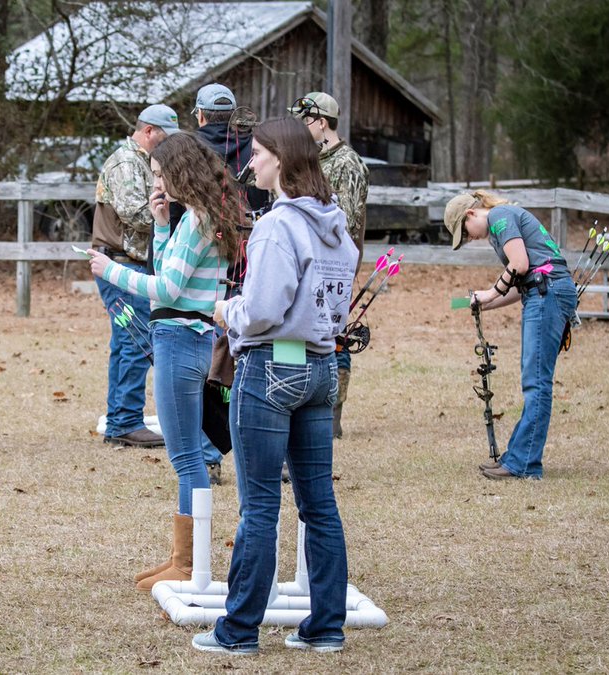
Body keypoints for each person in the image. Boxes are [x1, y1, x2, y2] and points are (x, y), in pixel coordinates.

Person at [197, 117, 357, 655]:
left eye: (259, 154)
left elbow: (263, 309)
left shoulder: (276, 225)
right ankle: (325, 627)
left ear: (282, 161)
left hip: (270, 368)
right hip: (319, 368)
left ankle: (237, 631)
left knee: (260, 507)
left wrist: (227, 310)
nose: (253, 164)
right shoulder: (334, 224)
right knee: (319, 505)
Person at [87, 132, 241, 592]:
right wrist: (158, 224)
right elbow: (169, 272)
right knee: (188, 456)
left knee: (186, 458)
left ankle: (189, 563)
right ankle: (183, 558)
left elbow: (168, 290)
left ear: (179, 171)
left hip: (179, 341)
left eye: (159, 174)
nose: (156, 182)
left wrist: (110, 270)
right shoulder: (196, 218)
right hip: (186, 339)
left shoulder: (196, 221)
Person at [175, 83, 274, 482]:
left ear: (199, 115)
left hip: (204, 265)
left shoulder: (189, 150)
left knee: (205, 357)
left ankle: (208, 455)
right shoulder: (262, 149)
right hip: (255, 262)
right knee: (252, 351)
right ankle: (268, 452)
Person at [444, 190, 576, 480]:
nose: (468, 239)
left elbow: (519, 265)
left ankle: (524, 463)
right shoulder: (500, 227)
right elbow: (521, 283)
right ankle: (518, 457)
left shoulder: (500, 217)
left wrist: (490, 291)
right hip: (542, 292)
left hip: (548, 293)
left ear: (470, 215)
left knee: (536, 382)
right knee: (534, 379)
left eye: (464, 233)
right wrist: (486, 303)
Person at [91, 104, 180, 448]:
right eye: (164, 137)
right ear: (148, 132)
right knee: (136, 340)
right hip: (120, 263)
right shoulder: (127, 164)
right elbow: (137, 215)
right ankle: (126, 421)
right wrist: (173, 209)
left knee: (127, 340)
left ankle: (120, 420)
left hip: (128, 262)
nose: (167, 144)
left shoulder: (141, 161)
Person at [291, 92, 369, 439]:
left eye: (305, 121)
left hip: (335, 267)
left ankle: (331, 416)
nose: (300, 127)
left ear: (322, 122)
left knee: (334, 336)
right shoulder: (312, 159)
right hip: (308, 263)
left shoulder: (348, 163)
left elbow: (346, 220)